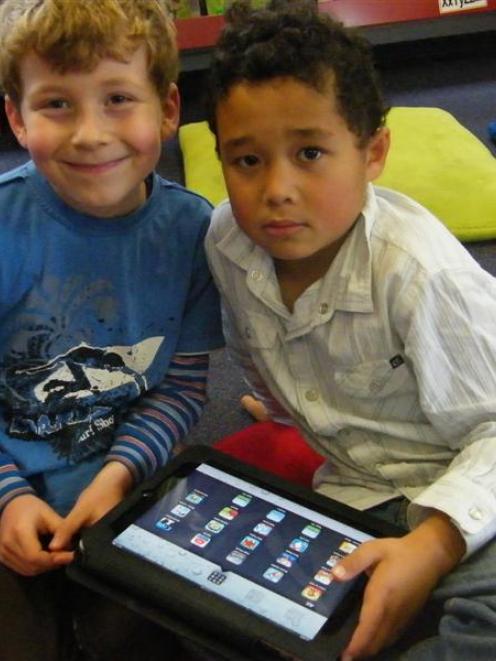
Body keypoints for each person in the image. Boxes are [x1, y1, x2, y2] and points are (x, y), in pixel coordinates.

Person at [204, 1, 496, 659]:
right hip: (352, 489)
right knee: (216, 593)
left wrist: (436, 541)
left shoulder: (417, 271)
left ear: (374, 153)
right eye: (246, 160)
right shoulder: (227, 242)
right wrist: (277, 407)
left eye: (310, 152)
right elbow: (253, 350)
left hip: (466, 482)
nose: (276, 188)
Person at [0, 0, 223, 658]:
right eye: (57, 104)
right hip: (8, 482)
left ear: (169, 108)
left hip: (123, 485)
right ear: (16, 116)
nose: (91, 133)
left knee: (153, 635)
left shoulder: (191, 233)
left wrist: (118, 477)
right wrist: (7, 497)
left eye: (119, 97)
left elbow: (180, 388)